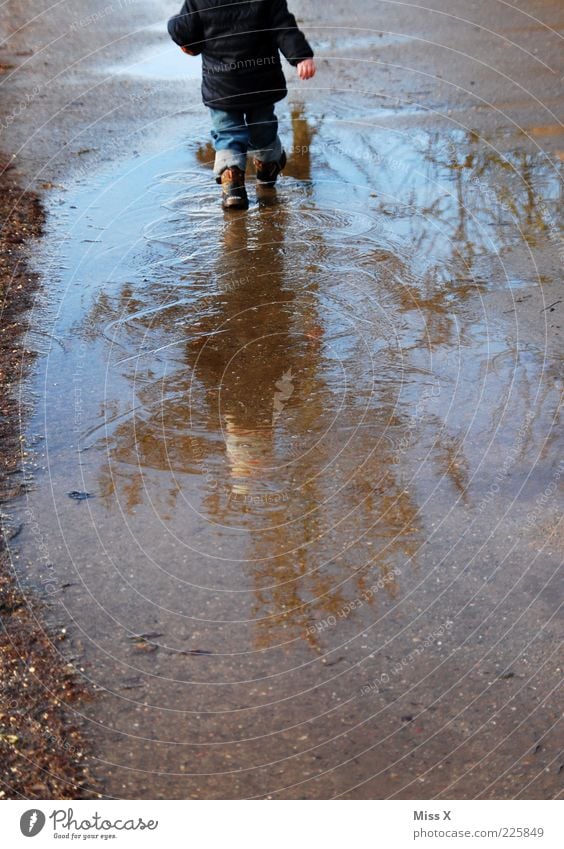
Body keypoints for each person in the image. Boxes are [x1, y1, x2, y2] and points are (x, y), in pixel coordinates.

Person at [168, 0, 316, 210]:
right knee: (262, 126)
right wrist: (301, 56)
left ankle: (233, 182)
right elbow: (283, 27)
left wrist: (180, 35)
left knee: (228, 132)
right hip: (261, 82)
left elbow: (185, 30)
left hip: (221, 84)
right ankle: (267, 164)